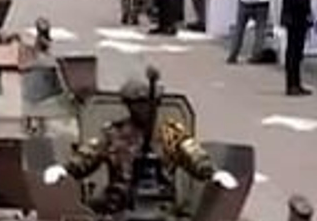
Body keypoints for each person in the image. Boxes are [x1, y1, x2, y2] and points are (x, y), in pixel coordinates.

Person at [42, 75, 239, 213]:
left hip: (162, 210)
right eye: (139, 104)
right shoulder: (115, 134)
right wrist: (65, 169)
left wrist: (212, 172)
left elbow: (191, 153)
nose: (146, 109)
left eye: (150, 103)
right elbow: (88, 155)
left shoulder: (170, 134)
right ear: (129, 106)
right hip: (119, 209)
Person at [279, 0, 312, 96]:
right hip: (294, 19)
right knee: (292, 52)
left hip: (300, 18)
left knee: (298, 53)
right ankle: (291, 84)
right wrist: (304, 8)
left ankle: (297, 83)